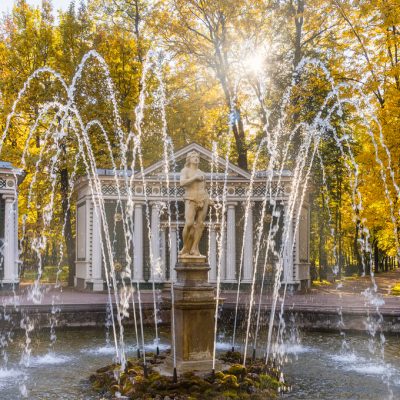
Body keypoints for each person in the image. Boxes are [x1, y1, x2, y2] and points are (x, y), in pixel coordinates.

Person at [179, 151, 209, 256]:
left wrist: (209, 199)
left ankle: (195, 248)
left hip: (203, 198)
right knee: (189, 223)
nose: (195, 158)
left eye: (197, 156)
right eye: (193, 156)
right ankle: (185, 247)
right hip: (190, 198)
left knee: (200, 224)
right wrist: (194, 178)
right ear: (189, 159)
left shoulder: (202, 173)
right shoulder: (185, 170)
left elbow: (204, 188)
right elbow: (182, 183)